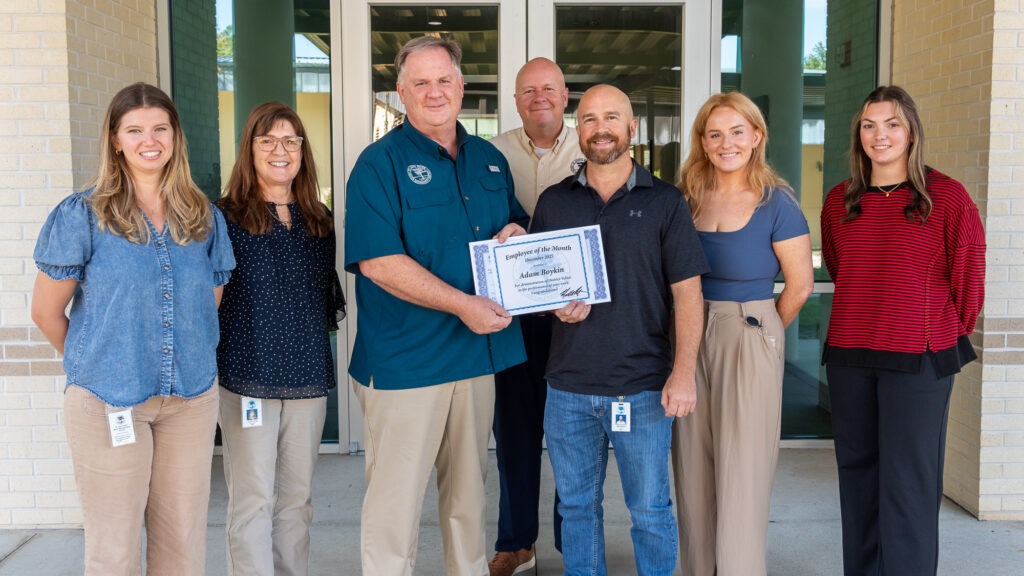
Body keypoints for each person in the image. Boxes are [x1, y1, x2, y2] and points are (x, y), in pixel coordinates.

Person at [30, 82, 235, 575]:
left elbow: (207, 307)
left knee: (182, 545)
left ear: (175, 137)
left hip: (189, 400)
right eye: (135, 130)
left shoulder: (203, 217)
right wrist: (100, 361)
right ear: (116, 139)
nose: (150, 140)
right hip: (108, 400)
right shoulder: (83, 215)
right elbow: (45, 311)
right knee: (114, 548)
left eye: (160, 129)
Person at [343, 36, 528, 576]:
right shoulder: (379, 164)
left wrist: (518, 232)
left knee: (468, 502)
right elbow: (379, 262)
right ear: (401, 93)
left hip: (477, 359)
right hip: (407, 363)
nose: (434, 92)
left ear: (462, 87)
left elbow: (511, 226)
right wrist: (464, 304)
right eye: (419, 83)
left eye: (443, 80)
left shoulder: (489, 160)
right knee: (395, 506)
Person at [531, 84, 708, 576]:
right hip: (567, 388)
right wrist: (553, 308)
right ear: (578, 130)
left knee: (650, 510)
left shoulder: (666, 203)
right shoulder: (553, 203)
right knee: (576, 510)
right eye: (588, 118)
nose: (600, 127)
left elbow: (688, 295)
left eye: (612, 117)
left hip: (643, 389)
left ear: (632, 129)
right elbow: (540, 287)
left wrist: (684, 373)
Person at [821, 85, 985, 576]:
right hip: (851, 356)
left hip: (918, 360)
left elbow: (969, 278)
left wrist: (928, 324)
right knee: (858, 480)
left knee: (909, 485)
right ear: (859, 136)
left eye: (892, 124)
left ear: (911, 131)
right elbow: (839, 266)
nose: (880, 135)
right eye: (869, 125)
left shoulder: (946, 197)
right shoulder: (840, 201)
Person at [671, 92, 814, 576]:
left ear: (756, 137)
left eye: (737, 132)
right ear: (703, 142)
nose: (726, 143)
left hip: (748, 329)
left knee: (742, 469)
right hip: (688, 334)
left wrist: (762, 335)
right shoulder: (685, 195)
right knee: (692, 465)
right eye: (715, 134)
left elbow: (799, 285)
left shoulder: (778, 203)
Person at [215, 101, 345, 576]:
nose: (280, 149)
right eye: (267, 140)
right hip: (248, 378)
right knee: (252, 501)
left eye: (291, 140)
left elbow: (323, 301)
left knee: (297, 500)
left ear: (303, 152)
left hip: (308, 378)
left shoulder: (319, 217)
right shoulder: (223, 217)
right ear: (249, 150)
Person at [487, 56, 586, 575]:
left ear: (565, 94)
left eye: (548, 88)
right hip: (514, 316)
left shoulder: (590, 148)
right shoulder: (492, 153)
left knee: (573, 434)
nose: (539, 98)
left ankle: (575, 544)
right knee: (515, 429)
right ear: (516, 99)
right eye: (528, 91)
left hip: (576, 314)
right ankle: (517, 541)